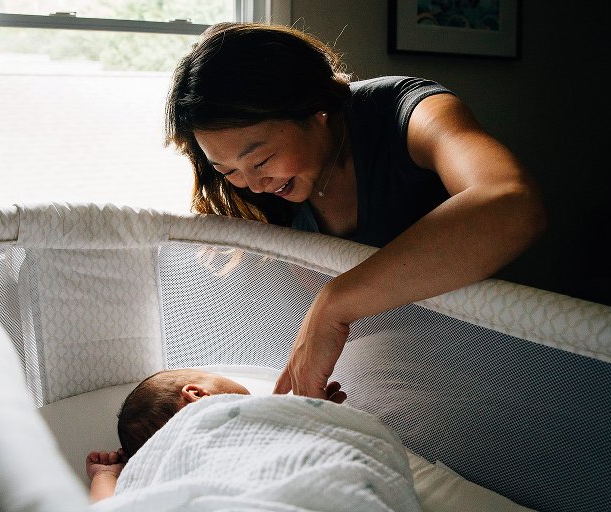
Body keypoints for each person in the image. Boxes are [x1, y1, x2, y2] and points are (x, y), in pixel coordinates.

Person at [164, 22, 547, 400]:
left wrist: (335, 304)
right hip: (388, 370)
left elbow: (512, 203)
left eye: (261, 159)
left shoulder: (409, 113)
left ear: (315, 108)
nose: (251, 183)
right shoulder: (254, 196)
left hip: (496, 359)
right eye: (227, 170)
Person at [86, 368, 347, 502]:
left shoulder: (159, 480)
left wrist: (105, 477)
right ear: (197, 393)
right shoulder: (242, 421)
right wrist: (314, 411)